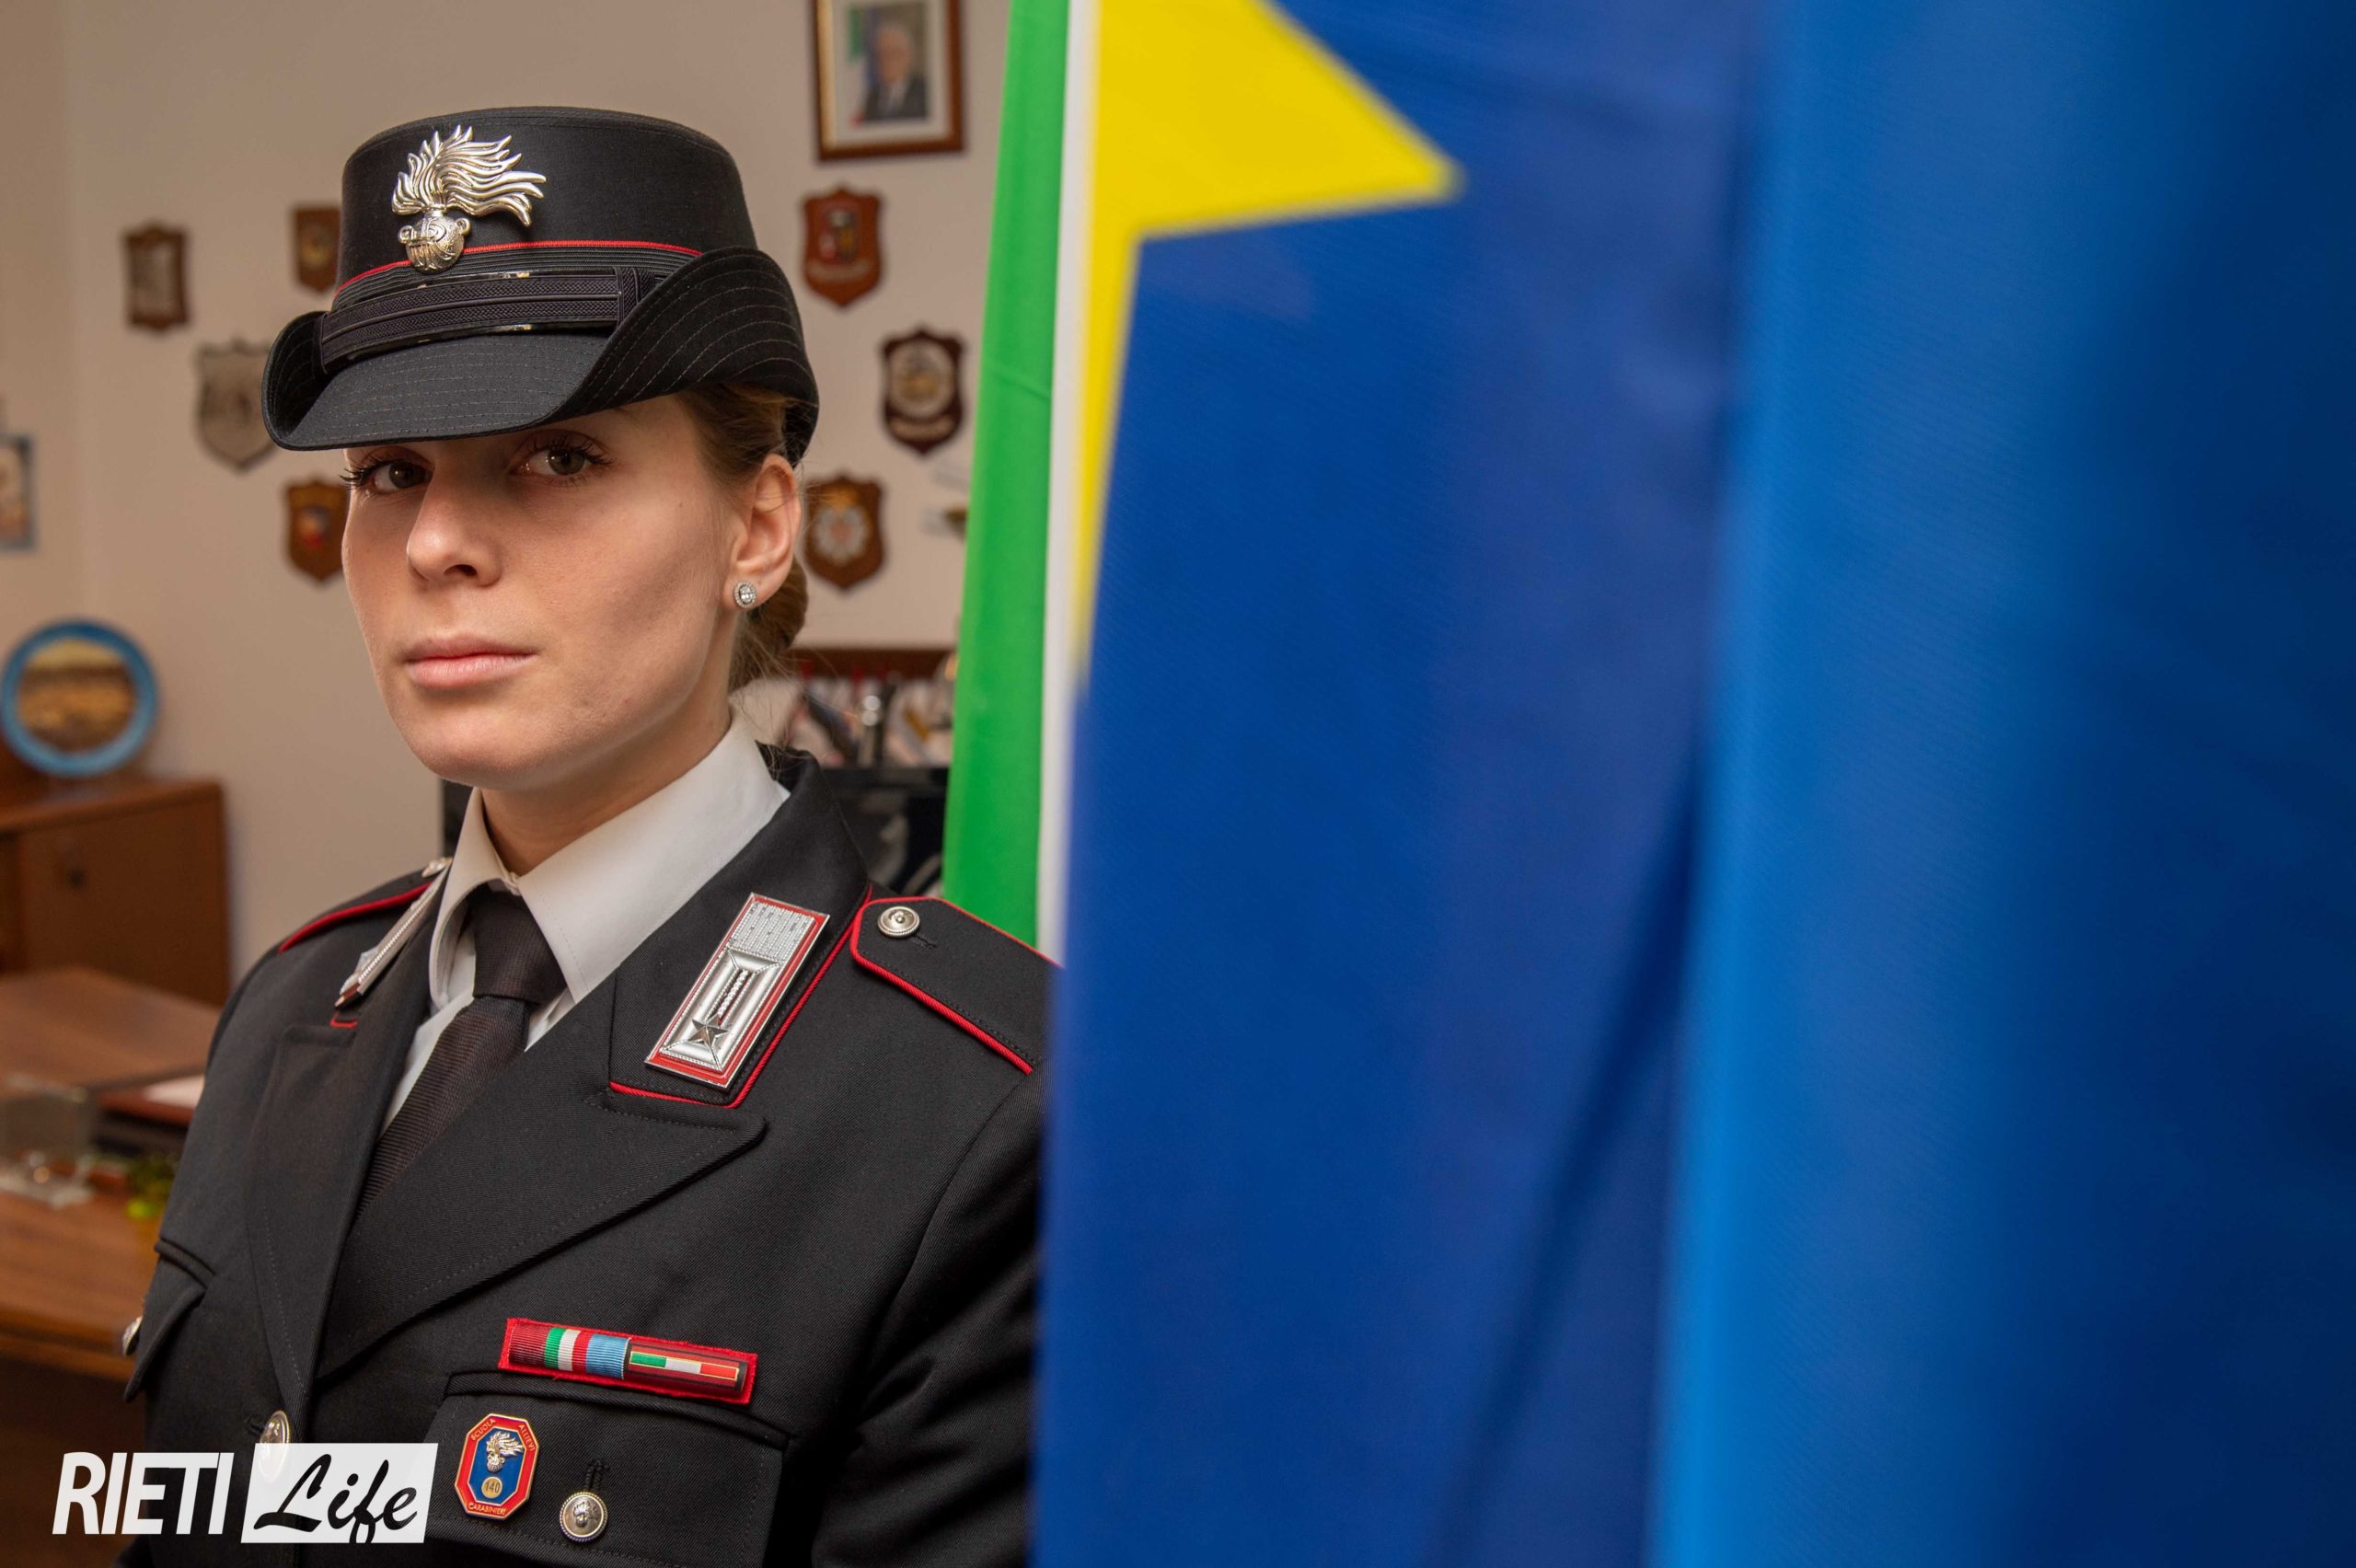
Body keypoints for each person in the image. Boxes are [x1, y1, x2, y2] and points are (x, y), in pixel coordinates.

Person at [119, 107, 1049, 1566]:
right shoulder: (293, 1003)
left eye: (558, 458)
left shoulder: (981, 1112)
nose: (437, 543)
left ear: (757, 529)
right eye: (390, 472)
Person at [858, 18, 930, 123]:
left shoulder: (925, 92)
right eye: (881, 55)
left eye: (893, 53)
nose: (886, 61)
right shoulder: (872, 97)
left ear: (908, 56)